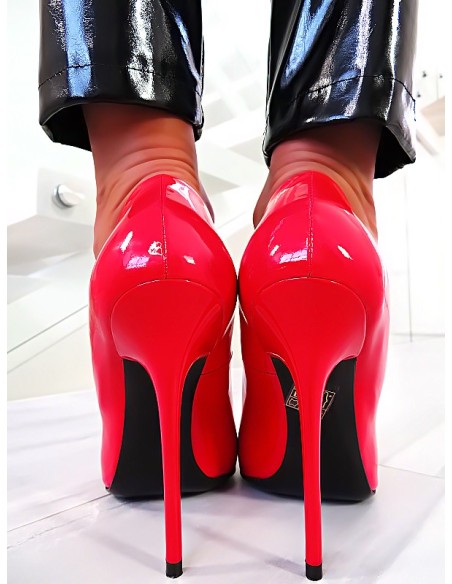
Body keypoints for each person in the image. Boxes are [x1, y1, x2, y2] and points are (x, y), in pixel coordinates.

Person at [38, 1, 418, 580]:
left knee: (137, 173)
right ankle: (330, 182)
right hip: (333, 247)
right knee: (329, 176)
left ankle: (139, 181)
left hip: (146, 246)